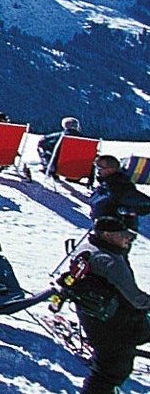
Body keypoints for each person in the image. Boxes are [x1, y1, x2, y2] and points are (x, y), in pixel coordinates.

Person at [64, 217, 150, 394]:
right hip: (116, 325)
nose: (128, 239)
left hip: (93, 317)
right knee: (111, 371)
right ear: (107, 235)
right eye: (124, 235)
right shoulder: (109, 261)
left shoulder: (86, 249)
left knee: (107, 366)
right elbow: (136, 299)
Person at [91, 154, 150, 230]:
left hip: (117, 234)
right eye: (96, 167)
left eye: (100, 168)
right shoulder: (105, 184)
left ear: (111, 170)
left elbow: (145, 204)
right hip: (102, 231)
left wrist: (125, 211)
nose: (97, 171)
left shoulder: (120, 186)